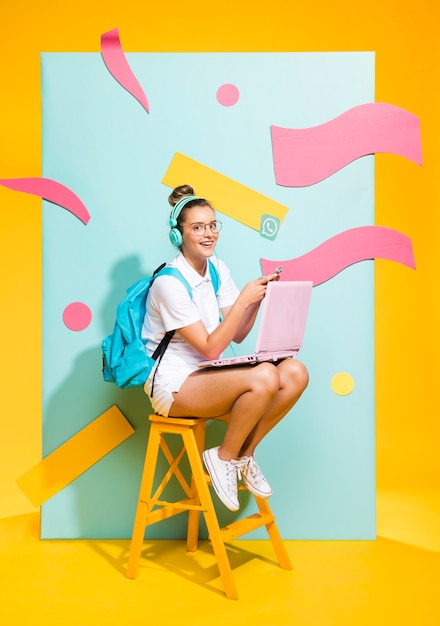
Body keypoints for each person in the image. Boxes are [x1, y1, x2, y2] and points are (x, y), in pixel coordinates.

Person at [142, 184, 309, 511]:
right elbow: (209, 349)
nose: (208, 234)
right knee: (263, 377)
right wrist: (242, 300)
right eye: (197, 227)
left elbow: (239, 334)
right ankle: (223, 457)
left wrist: (257, 301)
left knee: (294, 372)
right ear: (179, 235)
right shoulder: (168, 283)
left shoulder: (217, 268)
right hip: (173, 385)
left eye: (213, 225)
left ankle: (244, 453)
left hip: (208, 376)